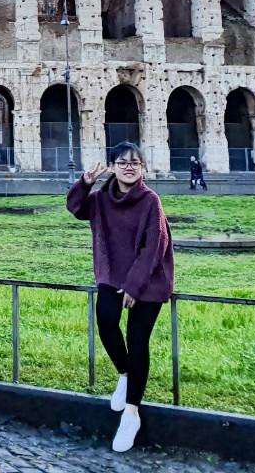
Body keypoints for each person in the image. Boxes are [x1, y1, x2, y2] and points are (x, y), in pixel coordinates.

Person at [67, 142, 173, 453]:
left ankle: (131, 413)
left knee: (138, 341)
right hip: (113, 274)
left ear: (143, 169)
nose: (129, 167)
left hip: (148, 278)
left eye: (136, 163)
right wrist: (85, 182)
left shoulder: (151, 201)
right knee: (106, 321)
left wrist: (135, 286)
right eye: (123, 162)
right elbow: (75, 208)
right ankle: (125, 375)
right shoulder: (100, 199)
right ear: (112, 166)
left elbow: (155, 246)